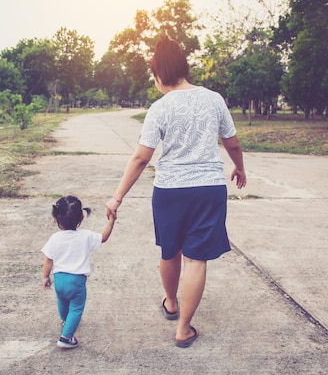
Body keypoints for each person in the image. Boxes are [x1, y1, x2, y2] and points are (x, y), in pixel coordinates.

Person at [105, 35, 246, 348]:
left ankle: (171, 302)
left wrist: (117, 197)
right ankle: (183, 329)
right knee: (196, 260)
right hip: (208, 189)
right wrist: (239, 167)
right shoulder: (214, 99)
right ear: (184, 68)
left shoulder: (159, 108)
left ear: (158, 75)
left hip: (170, 191)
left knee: (170, 251)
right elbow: (232, 142)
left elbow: (142, 157)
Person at [42, 195, 115, 349]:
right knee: (76, 308)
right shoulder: (86, 236)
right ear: (82, 216)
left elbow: (48, 260)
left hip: (59, 279)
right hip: (76, 282)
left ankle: (65, 322)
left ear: (56, 219)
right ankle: (66, 338)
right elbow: (103, 238)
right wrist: (111, 221)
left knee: (62, 302)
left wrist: (45, 277)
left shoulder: (55, 238)